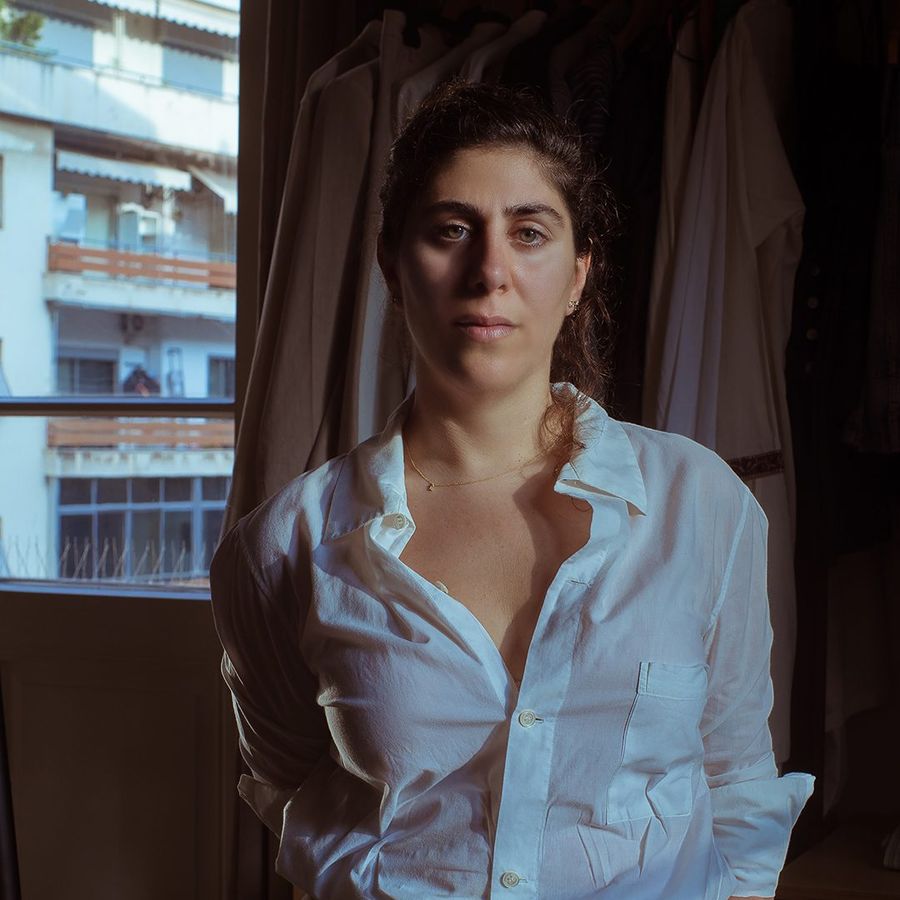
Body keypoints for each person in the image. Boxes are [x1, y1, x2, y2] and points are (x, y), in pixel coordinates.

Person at [210, 78, 814, 900]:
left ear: (578, 276)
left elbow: (737, 779)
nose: (489, 270)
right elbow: (287, 786)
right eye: (451, 230)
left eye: (529, 233)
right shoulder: (282, 548)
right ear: (393, 264)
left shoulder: (700, 503)